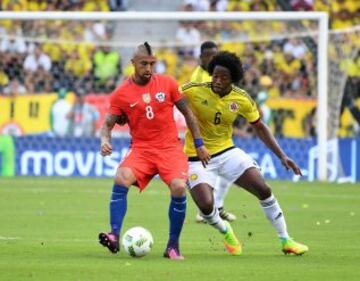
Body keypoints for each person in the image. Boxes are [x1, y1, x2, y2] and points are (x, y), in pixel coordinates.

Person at [181, 51, 309, 255]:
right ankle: (226, 231)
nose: (218, 80)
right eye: (215, 75)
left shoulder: (241, 99)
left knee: (263, 189)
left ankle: (286, 240)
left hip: (226, 151)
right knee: (206, 206)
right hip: (196, 156)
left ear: (233, 79)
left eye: (224, 77)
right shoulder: (193, 90)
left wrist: (282, 156)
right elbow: (167, 97)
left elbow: (260, 127)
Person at [98, 42, 212, 260]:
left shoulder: (168, 83)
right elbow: (108, 124)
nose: (148, 68)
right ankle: (113, 235)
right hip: (141, 149)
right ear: (133, 64)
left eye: (152, 64)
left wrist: (199, 143)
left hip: (170, 148)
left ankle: (172, 247)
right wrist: (105, 140)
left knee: (179, 187)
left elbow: (188, 113)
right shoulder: (121, 93)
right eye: (144, 64)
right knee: (121, 177)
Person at [190, 41, 237, 223]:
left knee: (227, 172)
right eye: (209, 56)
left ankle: (217, 206)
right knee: (215, 171)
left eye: (215, 55)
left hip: (219, 130)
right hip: (205, 133)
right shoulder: (199, 78)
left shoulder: (216, 73)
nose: (212, 59)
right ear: (201, 57)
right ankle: (209, 209)